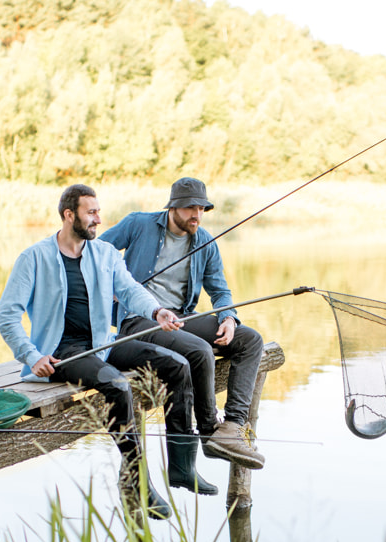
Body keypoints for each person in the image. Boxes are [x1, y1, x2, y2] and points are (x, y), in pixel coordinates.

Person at [0, 184, 189, 520]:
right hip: (62, 353)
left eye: (98, 211)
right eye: (91, 212)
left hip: (102, 343)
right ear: (70, 215)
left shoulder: (105, 254)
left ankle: (182, 464)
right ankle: (137, 481)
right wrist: (31, 355)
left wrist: (157, 312)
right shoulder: (34, 258)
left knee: (176, 364)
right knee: (117, 386)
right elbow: (6, 315)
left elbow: (129, 290)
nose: (99, 218)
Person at [100, 177, 265, 498]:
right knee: (199, 350)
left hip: (182, 318)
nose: (197, 215)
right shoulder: (139, 224)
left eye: (202, 208)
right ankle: (207, 432)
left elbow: (219, 288)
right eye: (191, 207)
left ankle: (231, 426)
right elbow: (94, 252)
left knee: (250, 340)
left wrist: (228, 317)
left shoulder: (204, 240)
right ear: (173, 206)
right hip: (140, 319)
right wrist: (113, 290)